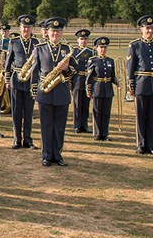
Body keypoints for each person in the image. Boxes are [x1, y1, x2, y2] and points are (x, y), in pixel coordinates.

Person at [30, 18, 77, 167]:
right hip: (45, 92)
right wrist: (34, 90)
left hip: (61, 92)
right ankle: (46, 155)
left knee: (59, 126)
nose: (55, 34)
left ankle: (57, 155)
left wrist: (67, 69)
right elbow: (35, 71)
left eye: (58, 31)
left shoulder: (68, 49)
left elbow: (75, 72)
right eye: (52, 31)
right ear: (48, 32)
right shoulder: (40, 48)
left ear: (62, 32)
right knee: (46, 125)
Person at [126, 15, 153, 155]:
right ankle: (141, 145)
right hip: (141, 84)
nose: (149, 31)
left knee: (152, 117)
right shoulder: (135, 45)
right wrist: (131, 87)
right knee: (141, 116)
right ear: (141, 29)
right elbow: (130, 68)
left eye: (151, 28)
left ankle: (150, 145)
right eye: (147, 28)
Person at [5, 14, 40, 149]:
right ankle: (17, 139)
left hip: (31, 80)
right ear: (20, 28)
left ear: (32, 29)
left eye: (29, 27)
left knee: (29, 112)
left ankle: (28, 140)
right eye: (24, 27)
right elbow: (8, 63)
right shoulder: (14, 42)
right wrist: (7, 79)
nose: (26, 29)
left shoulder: (37, 43)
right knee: (16, 112)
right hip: (16, 80)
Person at [86, 37, 119, 141]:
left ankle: (104, 134)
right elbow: (89, 77)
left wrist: (118, 83)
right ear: (97, 48)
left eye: (105, 47)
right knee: (97, 112)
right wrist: (89, 90)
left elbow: (113, 76)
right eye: (101, 47)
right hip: (98, 88)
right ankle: (97, 133)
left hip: (108, 89)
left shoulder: (110, 61)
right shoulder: (93, 60)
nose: (103, 49)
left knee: (106, 113)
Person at [71, 29, 93, 133]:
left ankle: (84, 125)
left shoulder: (91, 52)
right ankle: (77, 125)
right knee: (77, 104)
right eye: (81, 39)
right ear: (77, 40)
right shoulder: (73, 52)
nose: (83, 41)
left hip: (87, 81)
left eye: (85, 39)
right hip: (77, 80)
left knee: (86, 104)